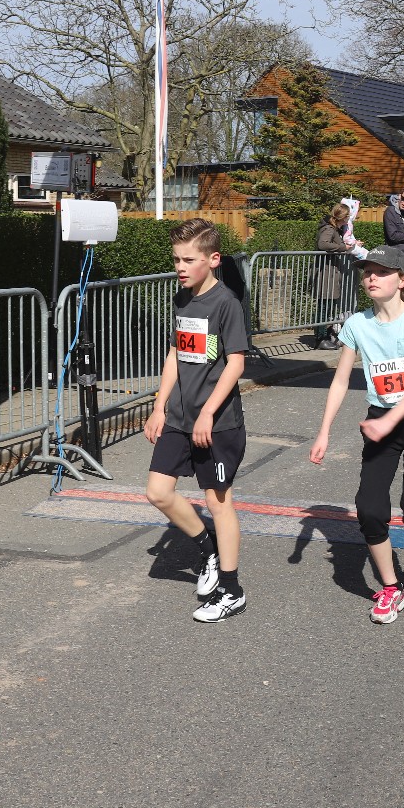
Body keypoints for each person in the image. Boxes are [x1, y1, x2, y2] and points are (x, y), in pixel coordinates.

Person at [308, 245, 404, 624]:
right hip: (380, 421)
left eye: (381, 272)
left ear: (402, 280)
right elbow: (340, 380)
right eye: (367, 272)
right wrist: (323, 432)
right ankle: (392, 589)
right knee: (369, 509)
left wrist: (391, 419)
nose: (372, 278)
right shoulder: (356, 325)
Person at [142, 218, 251, 623]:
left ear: (213, 259)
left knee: (218, 502)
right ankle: (209, 551)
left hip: (217, 423)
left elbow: (235, 363)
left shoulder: (227, 303)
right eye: (177, 259)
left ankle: (232, 591)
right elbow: (175, 353)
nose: (180, 267)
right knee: (158, 492)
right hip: (178, 417)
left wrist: (207, 412)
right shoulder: (182, 299)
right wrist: (159, 405)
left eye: (189, 260)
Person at [314, 201, 355, 349]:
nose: (348, 219)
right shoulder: (329, 229)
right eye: (347, 217)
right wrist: (343, 247)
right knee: (324, 305)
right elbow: (323, 244)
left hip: (329, 271)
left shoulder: (333, 228)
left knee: (327, 305)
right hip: (325, 272)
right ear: (342, 217)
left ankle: (324, 336)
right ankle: (320, 338)